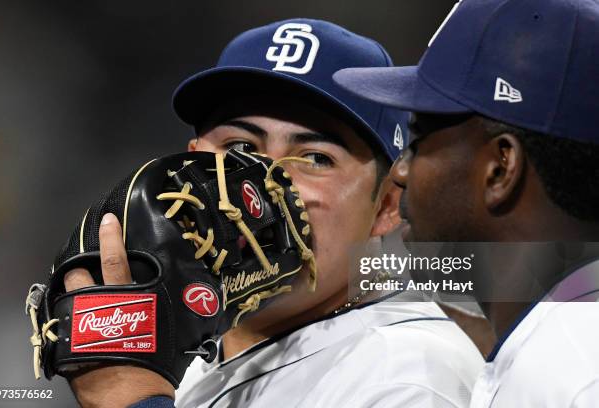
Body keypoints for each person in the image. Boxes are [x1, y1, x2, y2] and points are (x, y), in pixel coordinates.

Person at [63, 19, 483, 407]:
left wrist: (135, 400)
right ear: (188, 164)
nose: (260, 183)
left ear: (387, 205)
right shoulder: (186, 352)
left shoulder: (411, 373)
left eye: (314, 158)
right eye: (241, 148)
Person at [334, 0, 599, 406]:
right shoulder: (560, 345)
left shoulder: (569, 376)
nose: (401, 174)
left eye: (418, 142)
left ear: (499, 168)